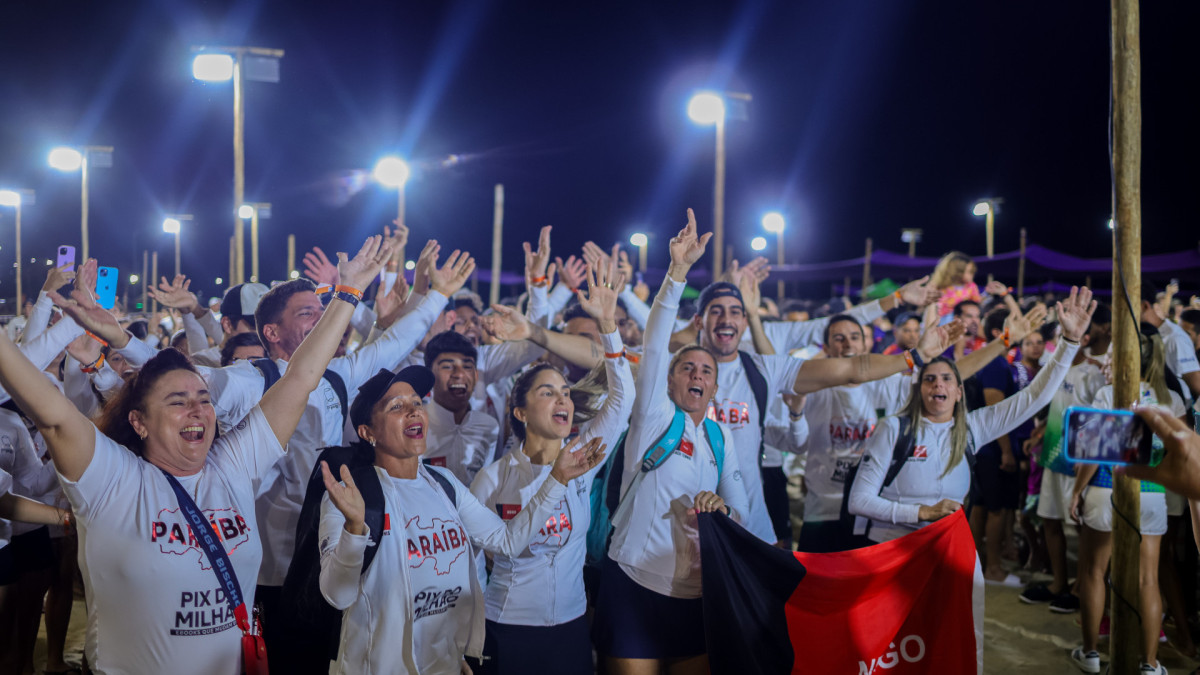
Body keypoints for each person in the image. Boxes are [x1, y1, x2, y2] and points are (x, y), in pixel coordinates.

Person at [0, 237, 393, 674]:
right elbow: (51, 413)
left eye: (204, 398)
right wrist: (64, 329)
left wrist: (349, 293)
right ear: (138, 422)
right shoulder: (111, 477)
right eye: (177, 401)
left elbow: (300, 378)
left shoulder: (233, 465)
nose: (197, 410)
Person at [593, 210, 962, 674]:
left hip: (702, 582)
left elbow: (850, 367)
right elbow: (656, 335)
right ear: (668, 379)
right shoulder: (653, 415)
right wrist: (677, 272)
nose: (699, 375)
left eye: (706, 371)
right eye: (688, 367)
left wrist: (915, 357)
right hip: (636, 577)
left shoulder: (723, 426)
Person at [848, 286, 1093, 671]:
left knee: (952, 643)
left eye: (947, 379)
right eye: (930, 379)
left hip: (950, 558)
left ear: (960, 392)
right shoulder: (892, 429)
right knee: (889, 651)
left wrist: (1069, 342)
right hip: (890, 556)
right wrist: (923, 512)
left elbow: (1035, 398)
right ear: (919, 387)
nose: (938, 386)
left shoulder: (974, 428)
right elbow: (858, 501)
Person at [317, 367, 607, 674]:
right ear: (367, 432)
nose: (414, 412)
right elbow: (337, 595)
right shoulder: (354, 498)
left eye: (417, 403)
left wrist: (557, 478)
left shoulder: (444, 484)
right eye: (397, 407)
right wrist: (354, 530)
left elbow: (508, 541)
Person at [469, 257, 634, 675]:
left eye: (565, 392)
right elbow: (473, 561)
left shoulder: (582, 457)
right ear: (520, 412)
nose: (563, 399)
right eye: (548, 392)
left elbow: (622, 398)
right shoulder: (492, 479)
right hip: (507, 629)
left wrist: (609, 324)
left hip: (571, 627)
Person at [1068, 327, 1182, 675]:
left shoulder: (1107, 395)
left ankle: (1089, 653)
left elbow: (1092, 452)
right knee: (1149, 579)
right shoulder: (1172, 400)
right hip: (1152, 493)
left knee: (1093, 571)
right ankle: (1150, 663)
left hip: (1107, 486)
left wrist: (1076, 491)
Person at [423, 330, 500, 485]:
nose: (459, 374)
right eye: (447, 366)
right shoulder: (415, 424)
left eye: (467, 366)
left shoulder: (489, 426)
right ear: (429, 375)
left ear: (476, 376)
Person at [931, 251, 981, 318]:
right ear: (957, 272)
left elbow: (976, 304)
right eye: (969, 272)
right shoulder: (940, 287)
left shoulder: (971, 287)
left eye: (972, 272)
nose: (972, 275)